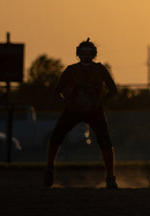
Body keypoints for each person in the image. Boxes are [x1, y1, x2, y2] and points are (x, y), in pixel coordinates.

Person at [44, 39, 119, 188]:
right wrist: (69, 103)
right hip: (73, 110)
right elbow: (57, 92)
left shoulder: (100, 69)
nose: (86, 56)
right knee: (56, 137)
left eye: (89, 53)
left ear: (94, 54)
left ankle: (110, 176)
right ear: (78, 54)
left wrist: (100, 102)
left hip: (94, 109)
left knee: (105, 141)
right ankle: (49, 170)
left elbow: (113, 90)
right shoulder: (71, 70)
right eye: (83, 53)